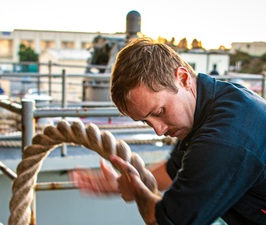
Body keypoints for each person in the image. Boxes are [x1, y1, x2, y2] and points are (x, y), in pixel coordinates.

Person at [69, 37, 266, 225]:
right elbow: (173, 171)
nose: (159, 129)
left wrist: (138, 192)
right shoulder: (210, 103)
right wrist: (120, 184)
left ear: (182, 78)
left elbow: (163, 221)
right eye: (146, 122)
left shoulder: (224, 138)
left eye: (159, 111)